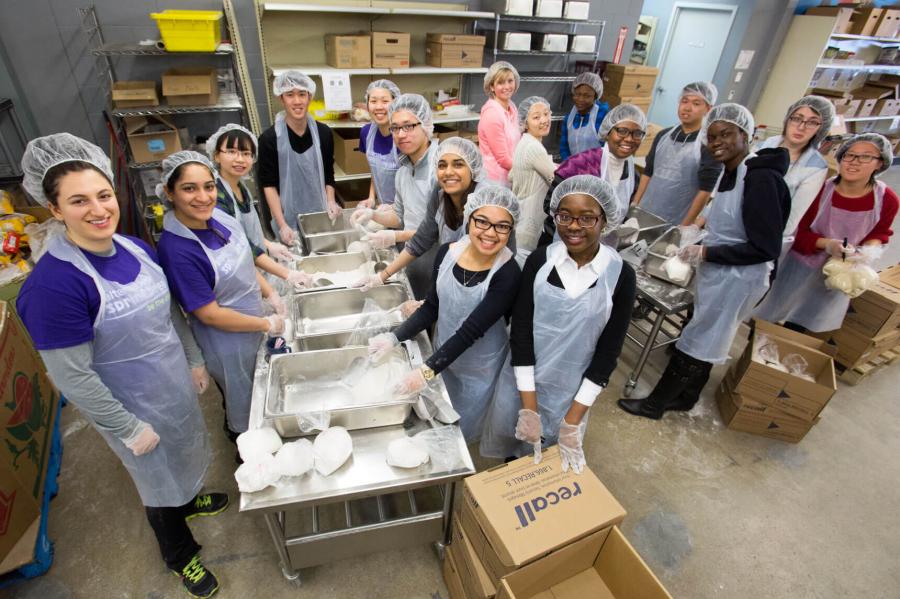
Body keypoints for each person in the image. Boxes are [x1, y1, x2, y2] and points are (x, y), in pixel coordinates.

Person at [17, 134, 226, 598]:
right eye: (78, 201)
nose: (97, 209)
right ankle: (179, 555)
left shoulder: (133, 248)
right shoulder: (54, 286)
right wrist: (127, 427)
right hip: (128, 402)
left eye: (104, 195)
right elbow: (72, 376)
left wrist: (192, 359)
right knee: (155, 480)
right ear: (54, 209)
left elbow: (171, 310)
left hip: (170, 382)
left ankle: (190, 499)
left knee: (186, 450)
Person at [618, 104, 790, 420]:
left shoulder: (761, 178)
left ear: (746, 134)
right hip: (722, 271)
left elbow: (765, 247)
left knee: (700, 337)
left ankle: (656, 403)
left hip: (739, 279)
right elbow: (727, 213)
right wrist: (696, 227)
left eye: (726, 134)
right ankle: (686, 397)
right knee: (710, 333)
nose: (716, 142)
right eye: (711, 137)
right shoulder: (732, 169)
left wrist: (706, 252)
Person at [481, 176, 634, 473]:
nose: (574, 226)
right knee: (516, 455)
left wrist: (572, 420)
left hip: (571, 392)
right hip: (523, 383)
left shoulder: (619, 275)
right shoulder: (541, 261)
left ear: (605, 220)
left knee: (550, 464)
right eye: (565, 216)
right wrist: (528, 406)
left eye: (587, 218)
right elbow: (521, 332)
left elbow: (608, 353)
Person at [367, 186, 522, 441]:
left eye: (502, 226)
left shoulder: (508, 273)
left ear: (510, 230)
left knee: (464, 429)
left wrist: (425, 372)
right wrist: (394, 338)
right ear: (469, 217)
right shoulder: (447, 253)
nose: (490, 233)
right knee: (440, 414)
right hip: (443, 354)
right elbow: (431, 307)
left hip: (479, 367)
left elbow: (470, 331)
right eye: (482, 221)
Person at [156, 151, 285, 440]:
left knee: (262, 392)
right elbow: (209, 314)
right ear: (169, 192)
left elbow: (244, 260)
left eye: (209, 186)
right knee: (242, 403)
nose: (203, 197)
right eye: (189, 188)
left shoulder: (220, 219)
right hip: (227, 343)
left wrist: (271, 293)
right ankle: (243, 451)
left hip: (253, 320)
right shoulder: (176, 249)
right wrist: (267, 324)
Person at [755, 133, 897, 333]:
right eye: (849, 155)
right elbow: (795, 232)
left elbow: (880, 232)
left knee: (801, 322)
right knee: (770, 313)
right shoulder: (820, 189)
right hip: (799, 265)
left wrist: (867, 251)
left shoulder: (886, 199)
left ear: (880, 163)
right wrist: (828, 245)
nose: (854, 162)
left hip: (839, 272)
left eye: (865, 157)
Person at [352, 137, 486, 296]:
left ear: (473, 168)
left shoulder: (484, 205)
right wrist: (382, 276)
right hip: (453, 281)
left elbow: (482, 267)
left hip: (481, 288)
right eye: (442, 165)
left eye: (458, 164)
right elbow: (421, 240)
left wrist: (433, 304)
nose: (449, 171)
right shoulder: (440, 195)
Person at [348, 93, 438, 297]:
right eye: (395, 128)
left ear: (425, 124)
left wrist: (395, 236)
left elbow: (441, 231)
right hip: (413, 258)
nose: (401, 134)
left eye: (408, 126)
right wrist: (373, 215)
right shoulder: (404, 170)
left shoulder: (441, 168)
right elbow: (398, 216)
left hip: (439, 261)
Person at [207, 123, 313, 289]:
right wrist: (287, 274)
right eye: (231, 151)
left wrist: (269, 246)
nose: (240, 159)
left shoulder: (242, 188)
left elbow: (246, 233)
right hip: (240, 277)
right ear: (216, 156)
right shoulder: (216, 197)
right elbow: (238, 245)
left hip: (256, 268)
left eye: (246, 153)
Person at [539, 104, 646, 244]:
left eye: (637, 133)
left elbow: (618, 211)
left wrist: (628, 222)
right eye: (622, 131)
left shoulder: (632, 176)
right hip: (562, 243)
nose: (629, 138)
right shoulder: (580, 164)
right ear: (608, 132)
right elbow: (550, 204)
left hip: (599, 250)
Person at [257, 70, 340, 245]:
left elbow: (328, 174)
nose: (297, 101)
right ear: (281, 98)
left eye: (302, 94)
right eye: (290, 95)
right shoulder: (269, 139)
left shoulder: (323, 133)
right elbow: (269, 185)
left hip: (320, 216)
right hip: (287, 219)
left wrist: (331, 202)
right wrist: (282, 225)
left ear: (309, 97)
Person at [631, 81, 722, 226]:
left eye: (696, 103)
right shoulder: (663, 135)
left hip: (675, 220)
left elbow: (705, 190)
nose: (687, 107)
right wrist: (635, 204)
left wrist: (683, 228)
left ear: (708, 109)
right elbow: (648, 172)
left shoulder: (708, 144)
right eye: (684, 101)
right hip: (644, 211)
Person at [754, 95, 835, 254]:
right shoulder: (766, 144)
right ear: (787, 119)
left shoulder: (815, 167)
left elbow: (790, 221)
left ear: (822, 128)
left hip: (765, 240)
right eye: (797, 118)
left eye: (812, 122)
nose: (801, 127)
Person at [509, 96, 556, 259]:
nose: (544, 120)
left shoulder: (526, 142)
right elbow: (556, 179)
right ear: (525, 123)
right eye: (536, 117)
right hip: (529, 223)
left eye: (546, 114)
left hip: (523, 218)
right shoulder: (533, 148)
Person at [357, 79, 402, 207]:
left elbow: (415, 182)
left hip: (409, 211)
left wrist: (394, 209)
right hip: (383, 207)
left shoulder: (403, 136)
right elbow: (377, 170)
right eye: (373, 101)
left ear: (396, 103)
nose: (378, 107)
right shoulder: (366, 133)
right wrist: (371, 198)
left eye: (385, 101)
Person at [478, 61, 522, 185]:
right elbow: (502, 158)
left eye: (510, 81)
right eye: (501, 82)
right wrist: (526, 170)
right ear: (491, 86)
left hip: (510, 176)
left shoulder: (511, 107)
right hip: (495, 181)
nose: (507, 86)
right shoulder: (492, 113)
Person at [559, 72, 609, 160]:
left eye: (587, 96)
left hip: (597, 169)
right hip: (574, 168)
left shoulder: (603, 117)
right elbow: (564, 147)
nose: (580, 99)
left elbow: (608, 149)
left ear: (595, 97)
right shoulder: (569, 118)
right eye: (577, 94)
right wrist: (570, 164)